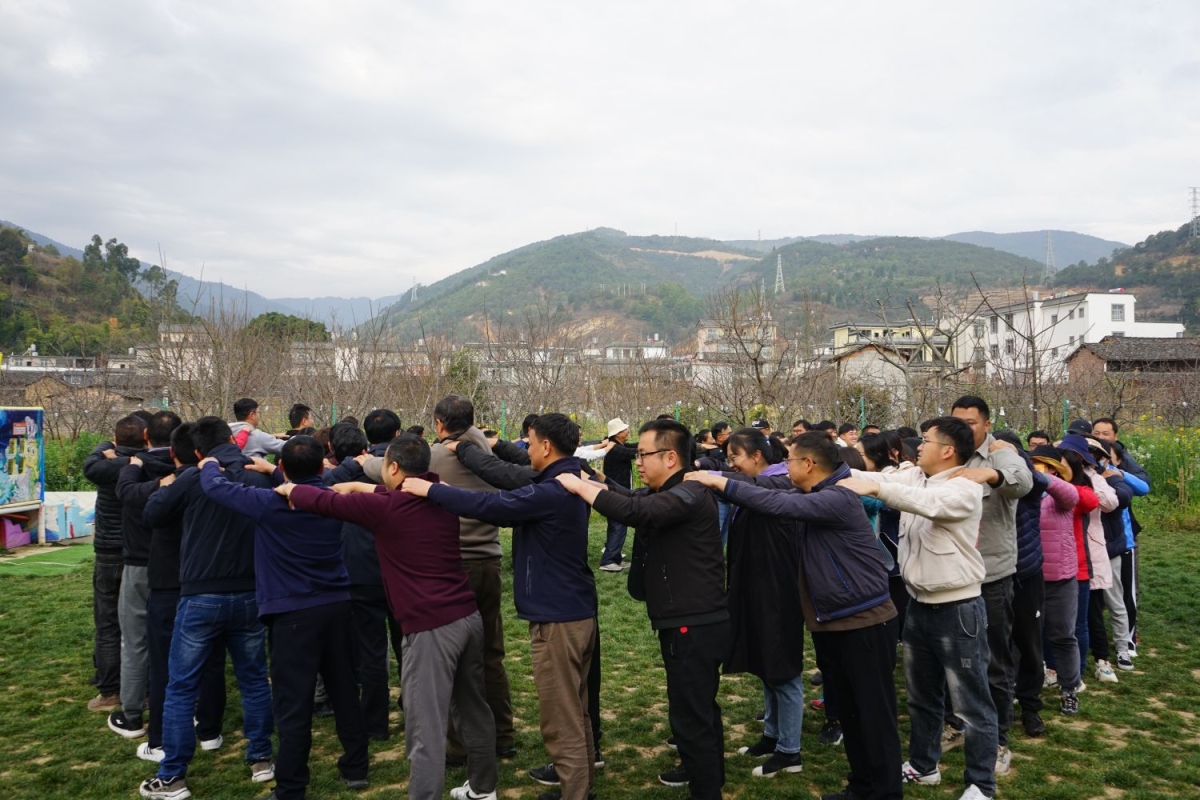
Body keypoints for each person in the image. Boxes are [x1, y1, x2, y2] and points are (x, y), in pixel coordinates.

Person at [280, 433, 498, 800]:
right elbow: (388, 495)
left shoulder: (387, 510)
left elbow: (323, 502)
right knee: (474, 709)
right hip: (467, 618)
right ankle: (483, 788)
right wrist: (356, 486)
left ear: (393, 467)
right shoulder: (440, 494)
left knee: (425, 728)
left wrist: (289, 489)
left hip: (431, 630)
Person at [690, 431, 901, 800]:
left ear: (808, 463)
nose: (784, 467)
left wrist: (719, 481)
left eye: (788, 461)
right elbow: (769, 489)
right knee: (851, 712)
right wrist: (720, 476)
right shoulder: (815, 491)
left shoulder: (837, 496)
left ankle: (884, 793)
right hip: (835, 621)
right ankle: (862, 786)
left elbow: (777, 504)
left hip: (864, 621)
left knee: (873, 715)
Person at [405, 413, 597, 800]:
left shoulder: (551, 491)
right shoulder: (564, 479)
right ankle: (578, 786)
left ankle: (575, 793)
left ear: (546, 446)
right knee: (575, 708)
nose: (527, 449)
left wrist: (432, 491)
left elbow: (493, 505)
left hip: (558, 618)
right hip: (573, 610)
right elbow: (505, 487)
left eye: (530, 442)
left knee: (561, 717)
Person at [558, 419, 727, 800]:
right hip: (688, 620)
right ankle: (708, 777)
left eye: (643, 454)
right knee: (698, 707)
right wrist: (599, 482)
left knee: (691, 714)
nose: (638, 461)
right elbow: (636, 500)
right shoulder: (671, 490)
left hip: (694, 623)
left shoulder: (688, 492)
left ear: (670, 457)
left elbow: (641, 512)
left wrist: (581, 487)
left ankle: (706, 789)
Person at [199, 435, 369, 799]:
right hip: (338, 607)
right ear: (321, 466)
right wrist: (277, 473)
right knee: (344, 690)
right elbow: (307, 486)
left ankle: (292, 786)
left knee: (293, 704)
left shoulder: (268, 503)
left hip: (292, 615)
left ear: (283, 467)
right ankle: (356, 767)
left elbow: (217, 489)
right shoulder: (330, 500)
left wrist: (210, 463)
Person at [838, 417, 997, 800]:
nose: (918, 446)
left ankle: (980, 784)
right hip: (919, 606)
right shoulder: (916, 478)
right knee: (922, 697)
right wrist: (835, 469)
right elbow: (881, 480)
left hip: (958, 610)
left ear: (948, 451)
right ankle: (925, 766)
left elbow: (925, 504)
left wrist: (876, 487)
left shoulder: (964, 488)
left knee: (972, 704)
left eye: (926, 441)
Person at [365, 396, 516, 761]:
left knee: (452, 661)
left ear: (439, 423)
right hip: (490, 562)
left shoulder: (437, 457)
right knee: (491, 654)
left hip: (455, 564)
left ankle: (458, 745)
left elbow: (383, 469)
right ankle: (502, 735)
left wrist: (362, 459)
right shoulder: (482, 449)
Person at [137, 416, 275, 800]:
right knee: (253, 679)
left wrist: (179, 479)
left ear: (197, 452)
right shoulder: (258, 475)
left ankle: (173, 775)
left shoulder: (196, 476)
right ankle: (261, 758)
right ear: (232, 438)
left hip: (201, 595)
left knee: (181, 687)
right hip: (250, 593)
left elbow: (152, 513)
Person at [699, 427, 806, 779]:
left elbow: (751, 487)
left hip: (779, 594)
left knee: (784, 671)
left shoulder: (782, 484)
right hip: (757, 591)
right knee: (766, 665)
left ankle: (790, 751)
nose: (732, 465)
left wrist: (712, 475)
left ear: (757, 456)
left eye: (735, 458)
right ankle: (772, 736)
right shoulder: (756, 485)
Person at [118, 422, 226, 763]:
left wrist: (142, 472)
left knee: (165, 664)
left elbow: (141, 505)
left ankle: (161, 740)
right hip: (206, 580)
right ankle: (209, 730)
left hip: (169, 581)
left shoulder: (171, 484)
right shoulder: (214, 481)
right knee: (211, 658)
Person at [948, 396, 1032, 777]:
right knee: (952, 659)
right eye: (957, 421)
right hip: (952, 576)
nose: (963, 428)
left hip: (990, 576)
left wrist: (990, 474)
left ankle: (998, 740)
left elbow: (1022, 482)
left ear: (985, 425)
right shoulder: (948, 453)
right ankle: (956, 725)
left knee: (994, 661)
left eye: (970, 422)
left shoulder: (1001, 454)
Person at [108, 412, 179, 739]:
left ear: (147, 435)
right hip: (179, 567)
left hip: (139, 565)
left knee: (134, 641)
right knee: (181, 640)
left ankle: (133, 714)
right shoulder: (189, 470)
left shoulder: (133, 469)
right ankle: (185, 709)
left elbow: (119, 485)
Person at [82, 415, 146, 712]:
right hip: (139, 552)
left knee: (108, 624)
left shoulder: (104, 465)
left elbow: (91, 464)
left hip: (108, 553)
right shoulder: (149, 464)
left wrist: (110, 451)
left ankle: (110, 691)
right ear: (146, 438)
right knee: (144, 623)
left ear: (116, 440)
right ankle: (146, 689)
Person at [991, 430, 1048, 737]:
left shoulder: (1028, 481)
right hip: (994, 576)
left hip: (1026, 572)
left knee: (1029, 643)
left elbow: (1038, 481)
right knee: (994, 645)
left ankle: (1030, 706)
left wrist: (1012, 455)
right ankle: (997, 707)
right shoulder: (985, 478)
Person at [1029, 444, 1092, 715]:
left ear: (1054, 470)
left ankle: (1069, 688)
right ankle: (1023, 689)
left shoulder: (1063, 492)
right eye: (1033, 464)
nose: (1036, 469)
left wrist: (1043, 478)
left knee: (1064, 636)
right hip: (1028, 577)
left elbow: (1072, 496)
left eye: (1042, 465)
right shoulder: (1023, 493)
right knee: (1023, 639)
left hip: (1061, 577)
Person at [1090, 418, 1149, 656]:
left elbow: (1143, 487)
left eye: (1106, 433)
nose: (1101, 436)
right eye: (1096, 432)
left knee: (1126, 592)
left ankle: (1129, 639)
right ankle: (1099, 637)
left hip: (1123, 540)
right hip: (1096, 539)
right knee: (1098, 593)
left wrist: (1118, 473)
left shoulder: (1121, 460)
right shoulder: (1088, 463)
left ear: (1115, 435)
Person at [599, 418, 637, 572]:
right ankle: (608, 560)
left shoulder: (617, 445)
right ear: (617, 434)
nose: (628, 432)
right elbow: (632, 452)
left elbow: (633, 446)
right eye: (625, 430)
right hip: (616, 493)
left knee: (617, 525)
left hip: (616, 491)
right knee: (618, 525)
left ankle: (614, 558)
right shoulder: (614, 449)